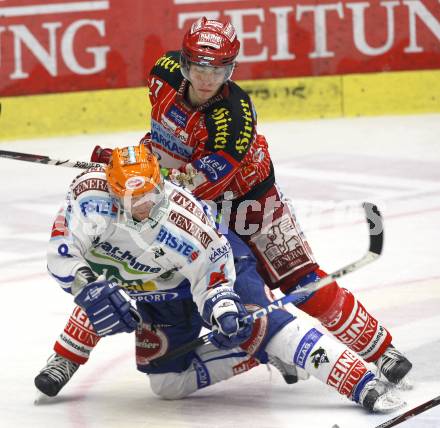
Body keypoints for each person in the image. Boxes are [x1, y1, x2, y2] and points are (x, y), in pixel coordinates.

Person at [35, 17, 412, 396]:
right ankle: (67, 355)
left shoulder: (233, 116)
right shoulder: (162, 73)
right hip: (177, 200)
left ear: (231, 69)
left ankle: (382, 352)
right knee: (118, 260)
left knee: (302, 280)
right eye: (199, 67)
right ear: (184, 62)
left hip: (249, 203)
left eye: (218, 70)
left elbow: (198, 179)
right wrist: (129, 163)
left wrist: (141, 175)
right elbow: (165, 145)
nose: (207, 79)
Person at [37, 145, 404, 413]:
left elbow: (212, 277)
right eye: (130, 197)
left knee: (267, 327)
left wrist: (221, 307)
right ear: (113, 191)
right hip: (152, 292)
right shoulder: (89, 198)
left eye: (149, 194)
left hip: (217, 273)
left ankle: (361, 382)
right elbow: (63, 251)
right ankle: (255, 355)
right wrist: (88, 288)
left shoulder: (185, 221)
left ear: (160, 185)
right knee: (165, 383)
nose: (142, 205)